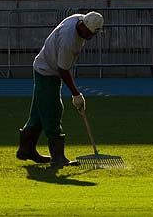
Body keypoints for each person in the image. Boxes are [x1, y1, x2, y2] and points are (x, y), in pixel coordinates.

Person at [16, 12, 104, 167]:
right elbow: (63, 69)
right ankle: (58, 156)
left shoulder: (79, 18)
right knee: (53, 110)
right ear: (83, 25)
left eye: (93, 34)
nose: (89, 36)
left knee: (38, 113)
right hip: (47, 72)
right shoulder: (68, 41)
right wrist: (76, 94)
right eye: (88, 33)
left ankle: (26, 149)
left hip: (45, 67)